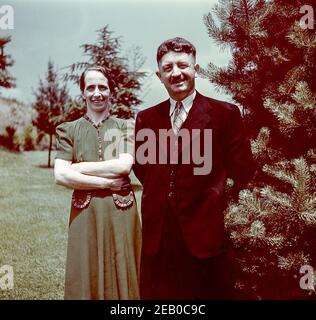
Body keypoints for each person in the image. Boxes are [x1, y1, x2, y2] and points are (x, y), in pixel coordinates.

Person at [133, 37, 255, 299]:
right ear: (159, 76)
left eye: (182, 65)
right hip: (158, 240)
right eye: (168, 68)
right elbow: (143, 169)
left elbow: (243, 171)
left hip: (205, 238)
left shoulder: (225, 114)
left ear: (195, 69)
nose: (176, 73)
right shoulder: (146, 118)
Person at [54, 66, 141, 300]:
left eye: (102, 87)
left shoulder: (125, 126)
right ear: (82, 92)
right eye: (90, 87)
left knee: (123, 270)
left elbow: (123, 166)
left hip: (121, 210)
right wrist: (105, 184)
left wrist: (79, 168)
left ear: (111, 91)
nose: (97, 93)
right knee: (85, 270)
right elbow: (61, 176)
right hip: (86, 212)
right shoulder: (69, 130)